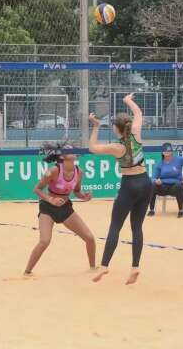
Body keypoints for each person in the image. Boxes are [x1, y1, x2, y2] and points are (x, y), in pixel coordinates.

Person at [88, 93, 152, 285]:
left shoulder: (116, 147)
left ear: (116, 129)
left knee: (115, 226)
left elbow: (92, 147)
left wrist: (96, 127)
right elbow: (138, 112)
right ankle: (135, 267)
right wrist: (127, 100)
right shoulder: (137, 132)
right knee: (137, 228)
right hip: (145, 182)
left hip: (129, 184)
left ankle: (105, 266)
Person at [24, 146, 96, 277]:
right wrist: (51, 200)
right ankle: (27, 272)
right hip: (48, 208)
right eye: (69, 150)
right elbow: (37, 189)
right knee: (44, 241)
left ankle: (93, 268)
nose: (73, 151)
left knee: (90, 238)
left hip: (65, 208)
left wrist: (84, 197)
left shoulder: (79, 172)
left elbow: (77, 192)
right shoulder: (53, 171)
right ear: (62, 156)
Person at [148, 142, 183, 218]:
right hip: (163, 187)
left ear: (172, 151)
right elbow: (153, 178)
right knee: (152, 185)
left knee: (179, 186)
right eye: (165, 151)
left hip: (175, 187)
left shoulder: (179, 159)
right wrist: (156, 181)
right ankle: (151, 210)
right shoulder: (160, 163)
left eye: (169, 150)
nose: (167, 152)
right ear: (162, 152)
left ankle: (180, 210)